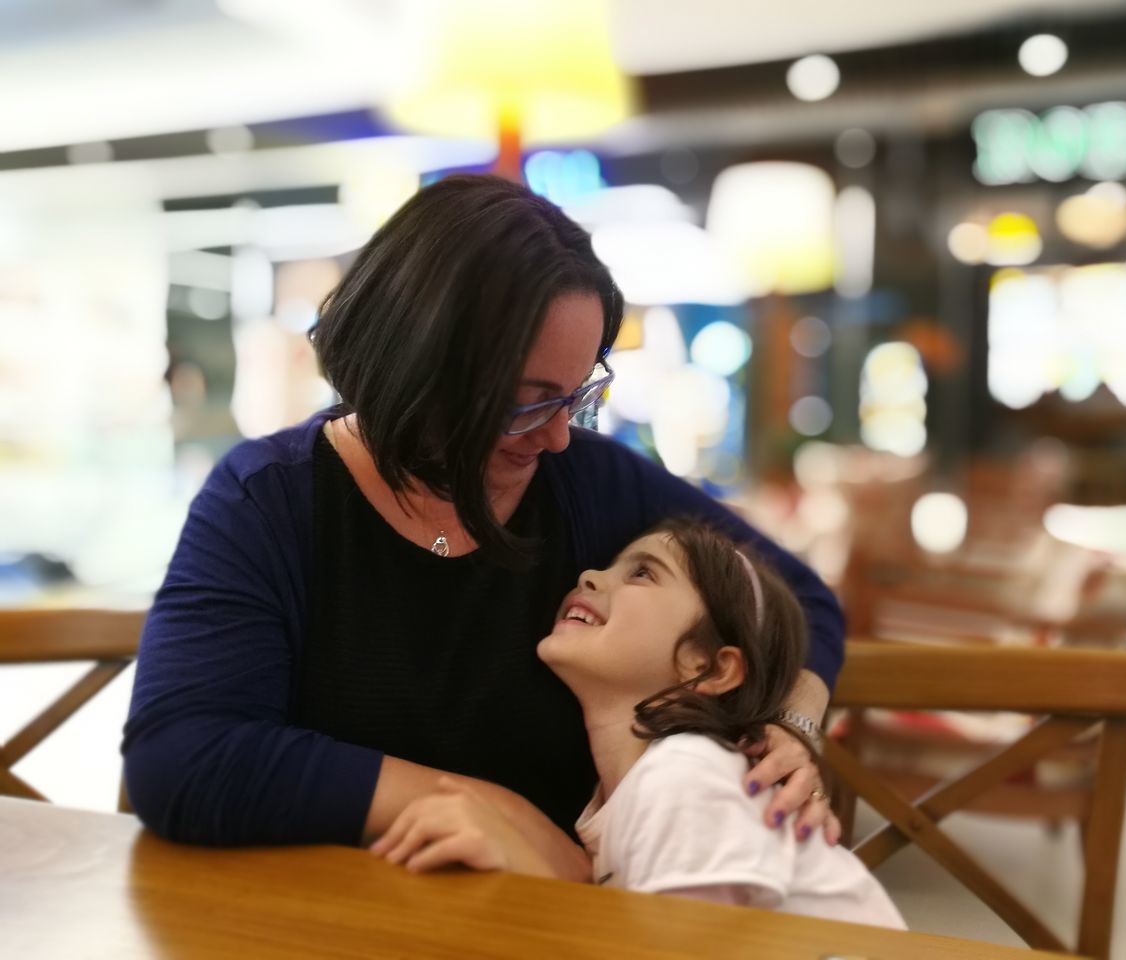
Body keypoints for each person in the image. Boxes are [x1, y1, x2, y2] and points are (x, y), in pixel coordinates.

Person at [122, 175, 846, 878]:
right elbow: (183, 756)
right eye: (524, 402)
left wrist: (793, 724)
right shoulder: (271, 501)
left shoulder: (588, 480)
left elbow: (799, 599)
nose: (558, 436)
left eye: (576, 394)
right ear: (409, 362)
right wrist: (489, 808)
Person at [370, 518, 904, 929]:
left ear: (708, 667)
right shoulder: (631, 791)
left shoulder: (685, 780)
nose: (590, 575)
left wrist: (525, 868)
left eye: (642, 573)